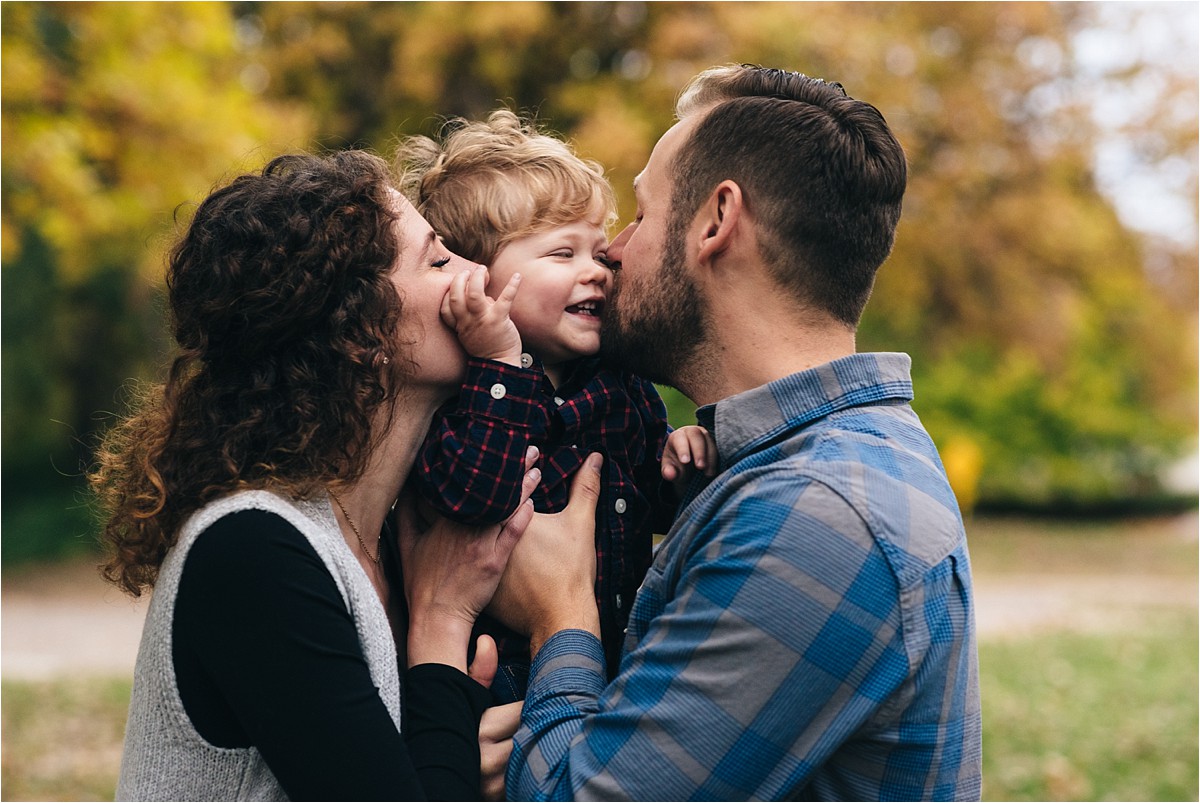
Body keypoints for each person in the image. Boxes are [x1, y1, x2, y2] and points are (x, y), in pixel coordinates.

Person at [486, 64, 984, 800]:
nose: (615, 250)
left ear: (716, 222)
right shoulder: (804, 468)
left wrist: (560, 614)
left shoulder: (817, 514)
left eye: (643, 214)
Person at [89, 150, 541, 801]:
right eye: (440, 260)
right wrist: (442, 623)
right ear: (363, 331)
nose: (480, 274)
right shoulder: (251, 552)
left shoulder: (391, 540)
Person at [395, 110, 716, 702]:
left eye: (599, 253)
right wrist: (500, 362)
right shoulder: (460, 398)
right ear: (476, 281)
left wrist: (681, 469)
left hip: (617, 662)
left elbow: (655, 509)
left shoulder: (623, 387)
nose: (596, 271)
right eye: (562, 254)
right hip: (501, 680)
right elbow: (474, 496)